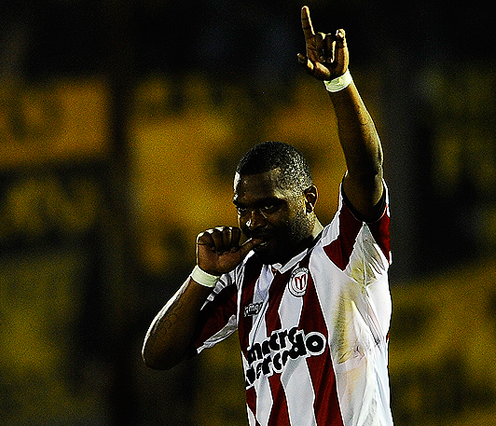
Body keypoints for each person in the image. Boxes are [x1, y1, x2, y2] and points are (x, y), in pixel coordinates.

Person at [142, 5, 393, 426]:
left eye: (269, 205)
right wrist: (203, 275)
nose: (253, 221)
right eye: (244, 209)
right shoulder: (244, 278)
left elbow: (367, 168)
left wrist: (339, 83)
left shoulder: (349, 250)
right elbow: (157, 354)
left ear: (309, 198)